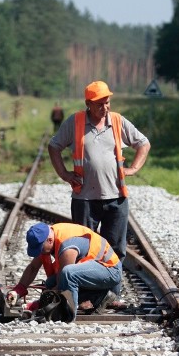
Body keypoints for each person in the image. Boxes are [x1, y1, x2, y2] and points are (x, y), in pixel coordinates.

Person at [47, 80, 150, 263]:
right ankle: (87, 290)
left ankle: (113, 290)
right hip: (84, 200)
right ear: (88, 104)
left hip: (116, 198)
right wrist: (65, 174)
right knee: (83, 248)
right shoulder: (75, 122)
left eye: (107, 102)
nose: (105, 107)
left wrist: (133, 168)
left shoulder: (118, 121)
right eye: (99, 104)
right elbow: (54, 146)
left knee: (116, 250)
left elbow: (143, 143)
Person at [8, 221, 122, 321]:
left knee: (68, 273)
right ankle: (101, 295)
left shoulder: (67, 247)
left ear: (49, 240)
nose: (40, 252)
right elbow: (33, 267)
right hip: (95, 271)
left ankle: (68, 316)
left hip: (110, 270)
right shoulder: (48, 237)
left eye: (40, 249)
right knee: (50, 283)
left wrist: (38, 305)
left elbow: (62, 285)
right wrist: (19, 290)